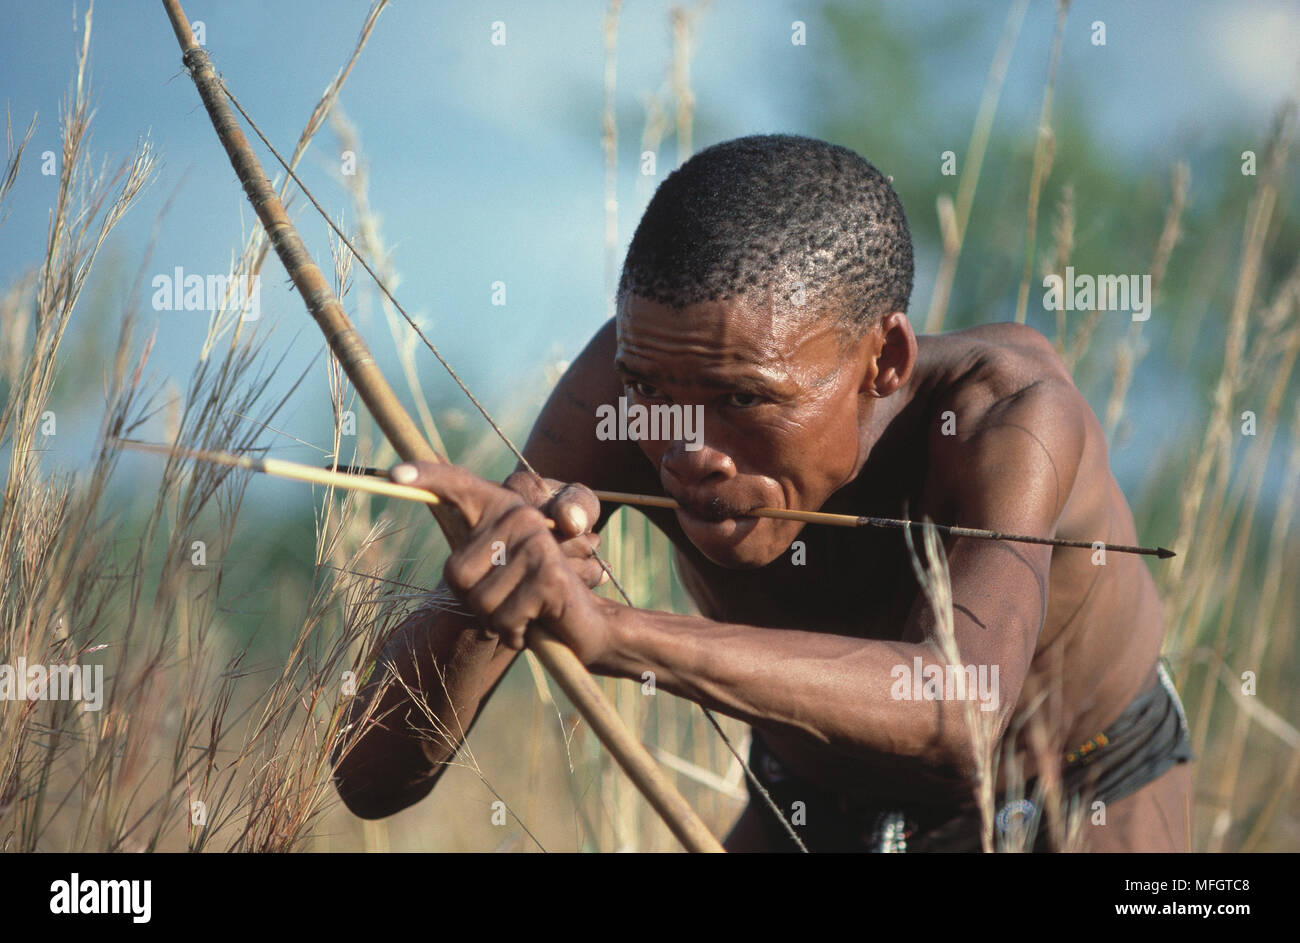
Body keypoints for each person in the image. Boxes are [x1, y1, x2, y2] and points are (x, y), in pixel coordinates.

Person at [332, 134, 1193, 852]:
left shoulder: (1008, 420)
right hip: (810, 803)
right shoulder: (631, 390)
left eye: (745, 399)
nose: (687, 449)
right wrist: (476, 599)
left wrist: (612, 632)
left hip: (1081, 791)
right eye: (652, 390)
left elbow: (957, 712)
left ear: (883, 362)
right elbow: (369, 785)